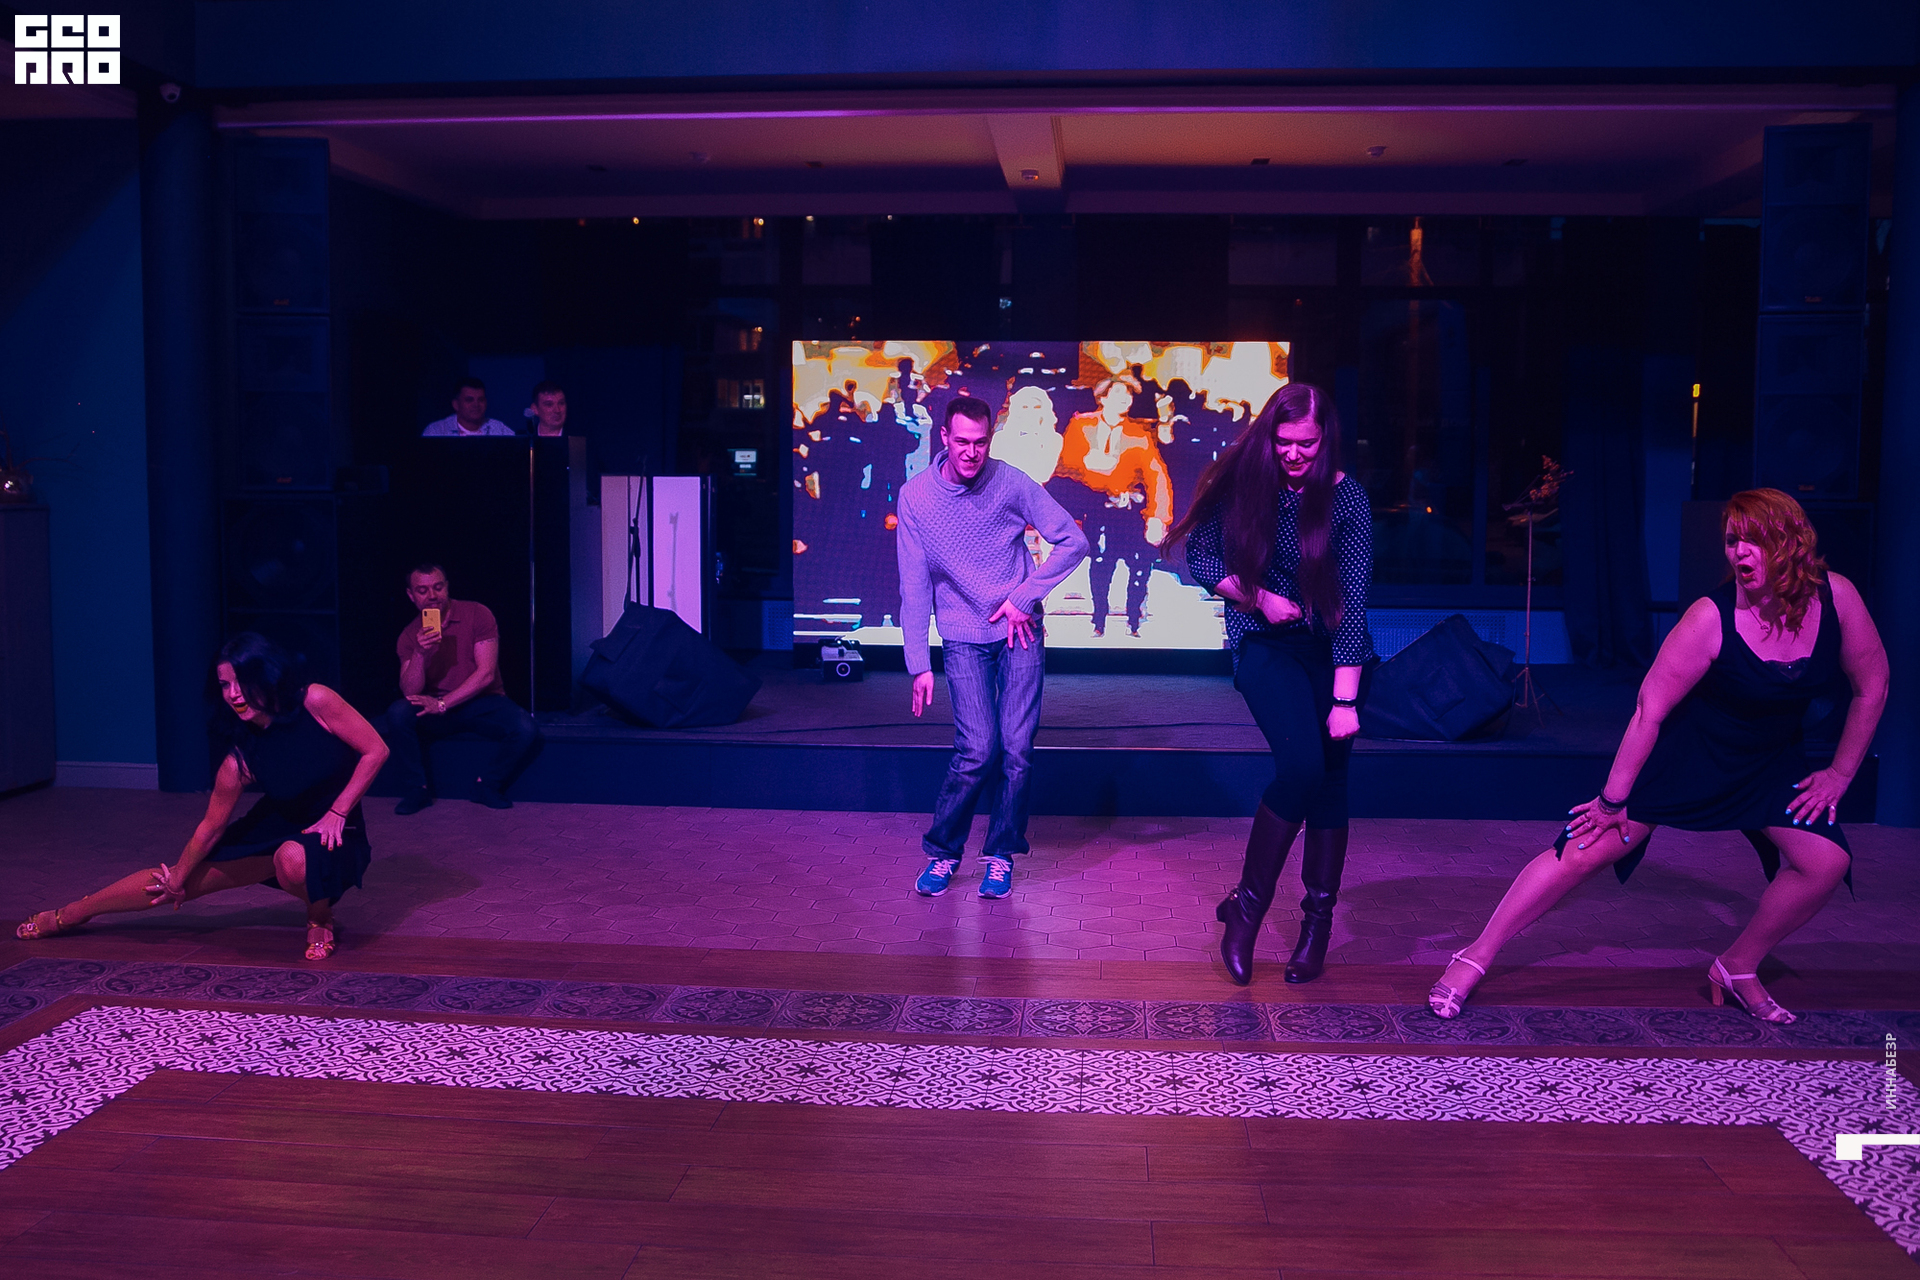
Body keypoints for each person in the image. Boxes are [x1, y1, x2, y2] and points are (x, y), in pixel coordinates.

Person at [1428, 489, 1889, 1023]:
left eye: (1755, 540)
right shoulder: (1710, 617)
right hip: (1686, 758)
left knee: (1826, 861)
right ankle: (1475, 956)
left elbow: (1873, 685)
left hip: (1769, 763)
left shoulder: (1837, 598)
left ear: (1791, 542)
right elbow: (1650, 710)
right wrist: (1611, 801)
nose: (1739, 552)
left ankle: (1738, 966)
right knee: (1585, 849)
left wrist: (1841, 772)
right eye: (1732, 540)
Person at [1167, 383, 1373, 985]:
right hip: (1264, 644)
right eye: (1284, 442)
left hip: (1332, 651)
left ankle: (1317, 927)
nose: (1294, 453)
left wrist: (1345, 698)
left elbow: (1353, 602)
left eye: (1306, 443)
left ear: (1324, 438)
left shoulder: (1347, 499)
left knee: (1331, 783)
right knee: (1302, 769)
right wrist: (1258, 598)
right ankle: (1247, 912)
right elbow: (1202, 560)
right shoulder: (1244, 483)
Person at [15, 634, 387, 961]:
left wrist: (339, 810)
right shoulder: (240, 757)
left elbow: (375, 750)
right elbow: (210, 827)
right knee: (178, 882)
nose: (234, 694)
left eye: (242, 682)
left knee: (292, 860)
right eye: (225, 685)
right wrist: (179, 874)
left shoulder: (315, 700)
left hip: (337, 830)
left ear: (267, 675)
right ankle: (71, 914)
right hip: (275, 827)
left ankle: (319, 916)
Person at [898, 396, 1089, 900]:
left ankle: (1000, 854)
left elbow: (1072, 541)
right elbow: (914, 585)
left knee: (1017, 750)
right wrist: (918, 662)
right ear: (944, 438)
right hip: (962, 633)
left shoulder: (1010, 481)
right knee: (977, 749)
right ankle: (944, 851)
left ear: (990, 439)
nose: (971, 452)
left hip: (1018, 631)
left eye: (980, 442)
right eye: (962, 441)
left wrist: (1025, 597)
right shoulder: (916, 497)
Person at [378, 564, 541, 812]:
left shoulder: (477, 613)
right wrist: (420, 653)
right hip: (435, 706)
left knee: (525, 727)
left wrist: (444, 704)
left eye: (438, 587)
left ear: (447, 587)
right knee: (398, 712)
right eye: (422, 590)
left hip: (481, 701)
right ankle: (417, 789)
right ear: (411, 595)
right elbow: (410, 691)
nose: (432, 595)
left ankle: (488, 785)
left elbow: (486, 674)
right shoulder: (409, 635)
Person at [1057, 375, 1173, 637]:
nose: (1125, 399)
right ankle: (1099, 620)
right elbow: (1065, 465)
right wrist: (1088, 465)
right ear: (1103, 397)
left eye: (1129, 394)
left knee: (1139, 564)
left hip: (1130, 510)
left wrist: (1158, 517)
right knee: (1101, 562)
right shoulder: (1081, 424)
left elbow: (1157, 476)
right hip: (1096, 508)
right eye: (1119, 393)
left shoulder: (1140, 434)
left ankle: (1133, 620)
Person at [423, 377, 516, 437]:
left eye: (481, 400)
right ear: (456, 404)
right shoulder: (436, 431)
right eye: (469, 400)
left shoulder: (500, 429)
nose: (476, 404)